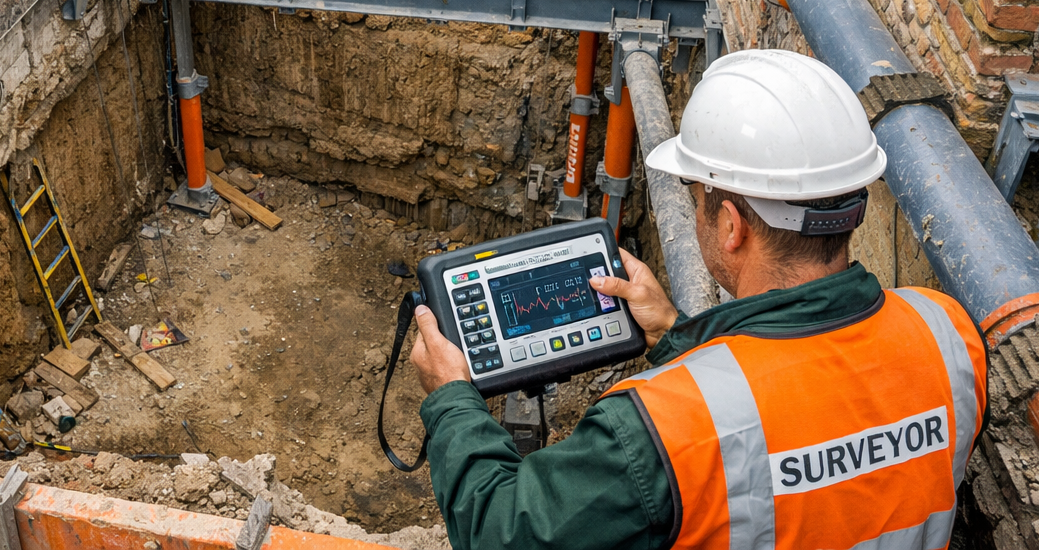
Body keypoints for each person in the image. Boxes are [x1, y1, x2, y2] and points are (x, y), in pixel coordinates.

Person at [410, 49, 986, 550]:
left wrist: (452, 400)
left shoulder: (657, 429)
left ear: (731, 225)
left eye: (695, 194)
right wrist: (674, 333)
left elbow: (502, 530)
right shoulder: (947, 332)